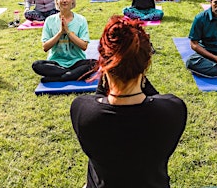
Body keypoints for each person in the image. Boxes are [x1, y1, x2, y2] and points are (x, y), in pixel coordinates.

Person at [70, 15, 187, 188]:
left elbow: (97, 98)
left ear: (104, 64)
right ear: (146, 64)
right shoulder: (174, 110)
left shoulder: (81, 110)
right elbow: (157, 98)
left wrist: (106, 73)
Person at [32, 0, 96, 82]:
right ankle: (70, 74)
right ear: (57, 0)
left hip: (77, 61)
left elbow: (84, 46)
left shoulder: (81, 20)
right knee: (36, 65)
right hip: (56, 62)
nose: (64, 0)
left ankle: (59, 77)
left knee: (95, 64)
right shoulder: (49, 20)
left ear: (72, 0)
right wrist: (60, 32)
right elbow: (45, 47)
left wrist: (68, 32)